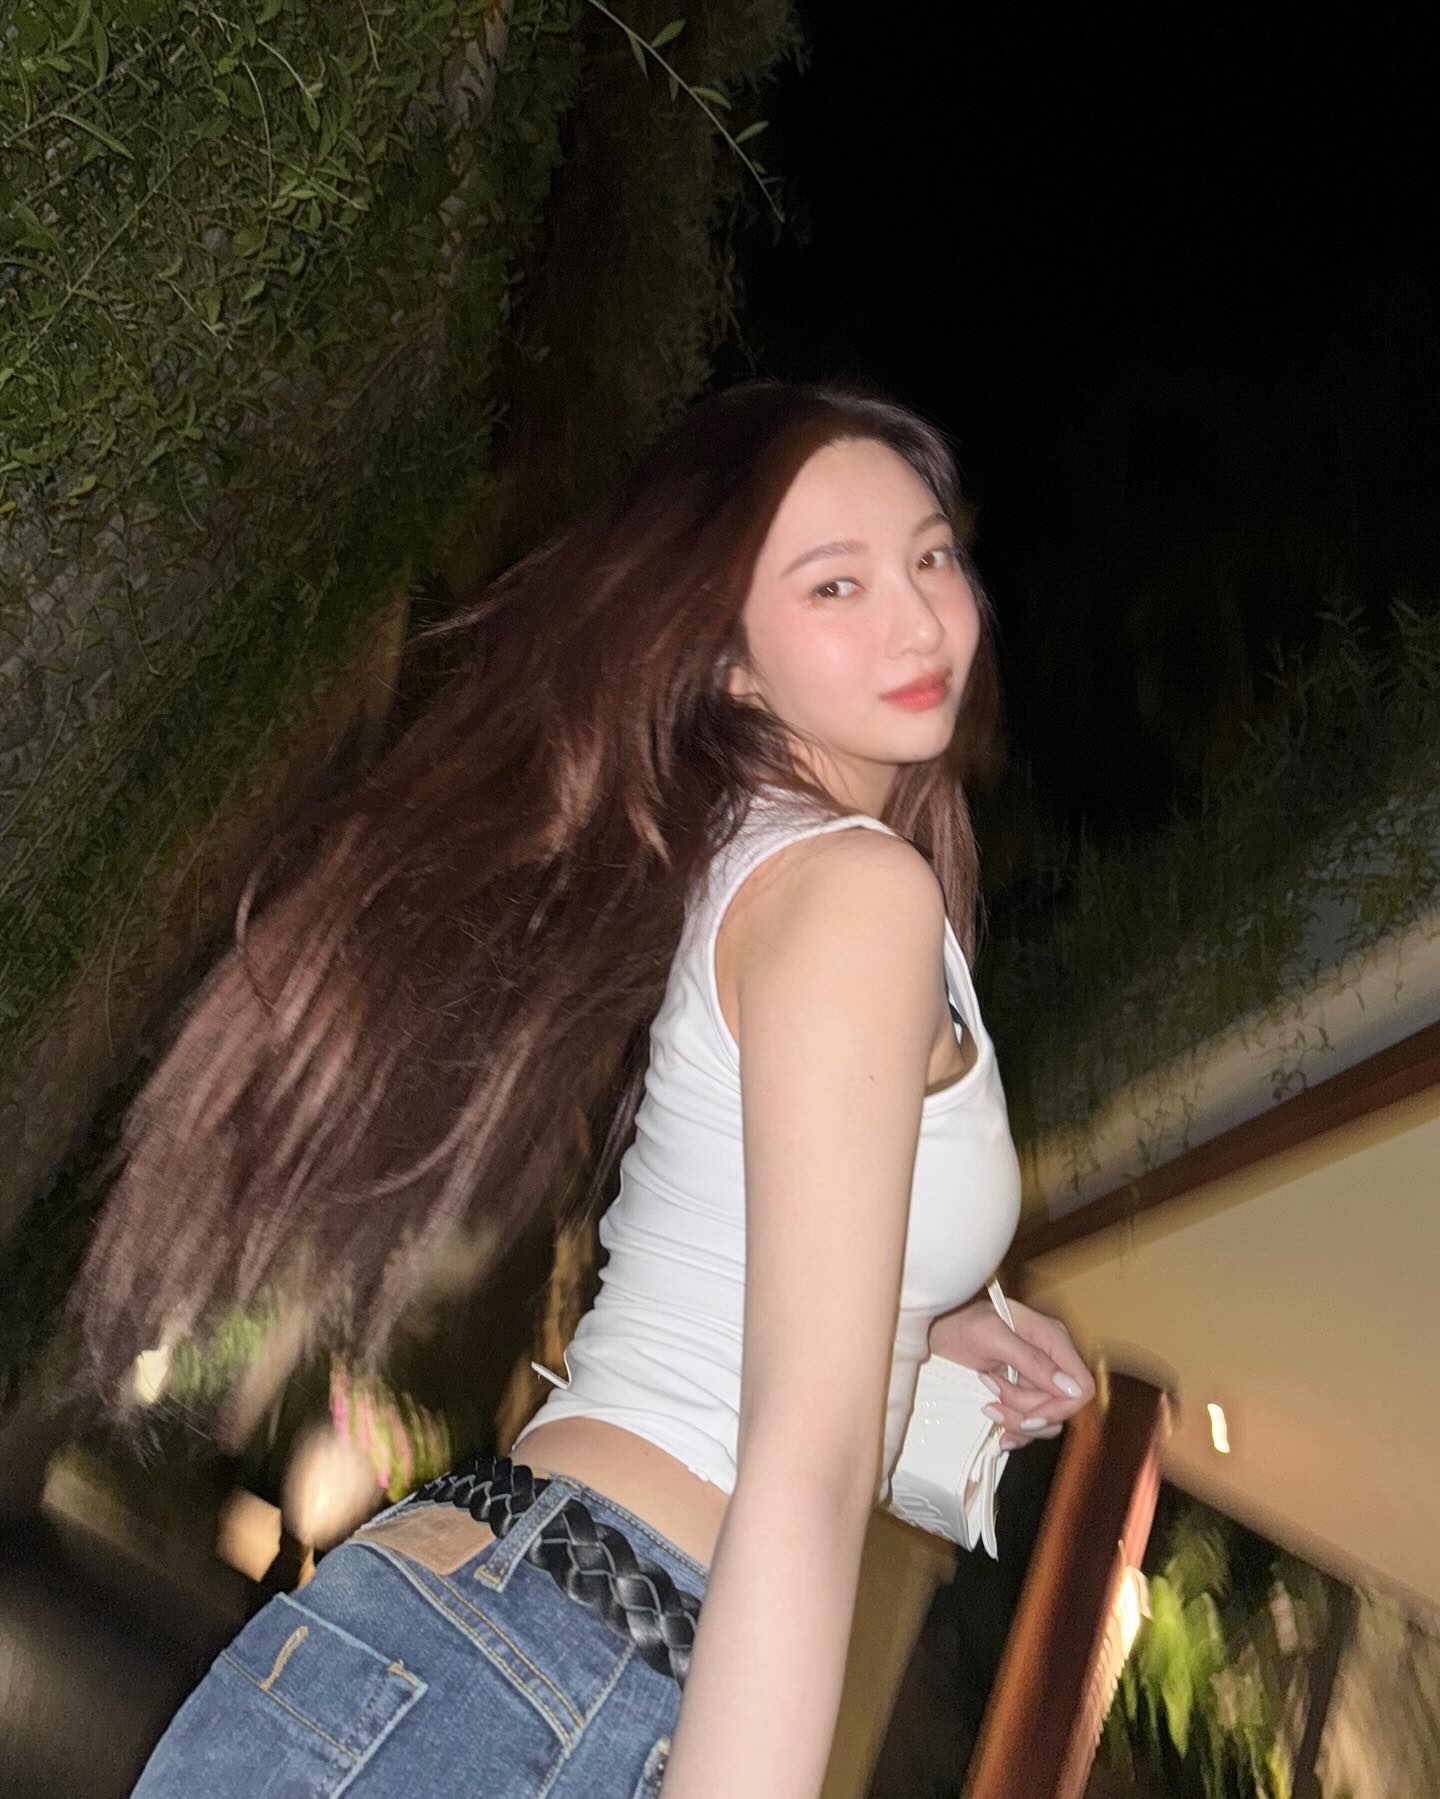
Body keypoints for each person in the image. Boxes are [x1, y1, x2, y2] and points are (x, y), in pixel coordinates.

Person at [71, 381, 1095, 1796]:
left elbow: (734, 1237)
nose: (920, 621)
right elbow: (800, 1466)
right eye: (836, 583)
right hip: (562, 1671)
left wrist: (934, 1318)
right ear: (729, 662)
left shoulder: (781, 861)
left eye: (931, 557)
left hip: (505, 1641)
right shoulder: (857, 894)